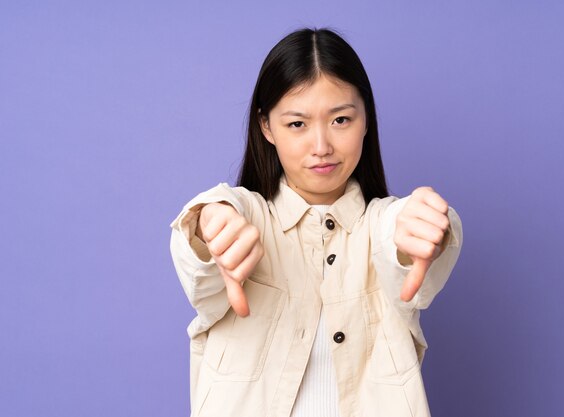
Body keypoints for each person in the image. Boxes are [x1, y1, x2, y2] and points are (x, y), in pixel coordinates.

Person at [169, 27, 463, 417]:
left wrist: (426, 228)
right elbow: (208, 241)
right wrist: (210, 223)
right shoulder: (249, 217)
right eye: (297, 124)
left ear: (366, 120)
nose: (321, 146)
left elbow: (397, 238)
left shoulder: (381, 226)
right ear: (266, 127)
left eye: (340, 120)